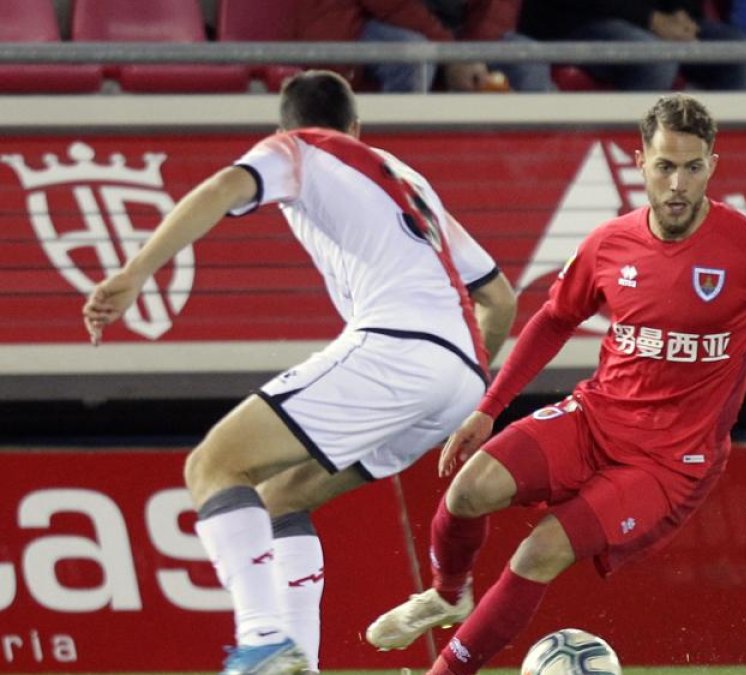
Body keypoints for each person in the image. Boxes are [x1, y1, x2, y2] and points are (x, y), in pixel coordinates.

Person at [363, 93, 746, 675]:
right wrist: (489, 408)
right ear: (640, 161)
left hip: (670, 461)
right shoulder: (609, 243)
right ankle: (448, 594)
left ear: (712, 167)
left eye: (693, 167)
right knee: (468, 491)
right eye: (665, 166)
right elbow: (553, 318)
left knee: (539, 551)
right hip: (595, 417)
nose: (678, 184)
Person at [81, 70, 517, 675]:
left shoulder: (299, 148)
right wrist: (473, 396)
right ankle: (299, 664)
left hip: (397, 345)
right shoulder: (405, 178)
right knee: (278, 498)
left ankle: (262, 640)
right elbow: (500, 297)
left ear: (284, 128)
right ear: (357, 128)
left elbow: (222, 187)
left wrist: (135, 272)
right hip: (459, 373)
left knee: (212, 465)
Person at [296, 0, 553, 92]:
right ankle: (396, 167)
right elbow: (393, 6)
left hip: (454, 38)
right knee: (412, 56)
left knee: (528, 60)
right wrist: (454, 56)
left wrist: (471, 56)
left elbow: (498, 8)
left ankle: (528, 176)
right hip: (357, 22)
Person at [518, 0, 746, 91]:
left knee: (740, 54)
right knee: (654, 59)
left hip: (656, 21)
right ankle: (640, 156)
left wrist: (682, 14)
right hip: (577, 20)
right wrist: (652, 20)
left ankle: (714, 159)